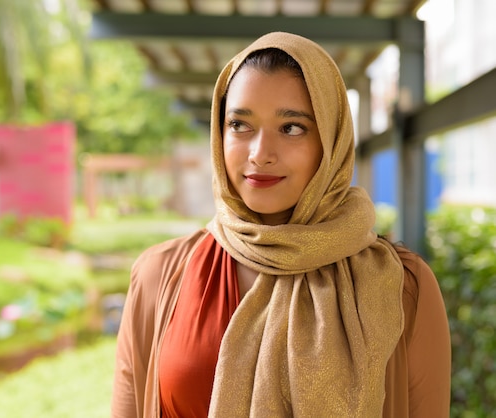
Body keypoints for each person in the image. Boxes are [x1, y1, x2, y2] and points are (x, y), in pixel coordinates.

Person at [111, 31, 451, 417]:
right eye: (240, 125)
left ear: (331, 141)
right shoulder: (159, 276)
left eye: (291, 128)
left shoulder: (403, 285)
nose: (260, 154)